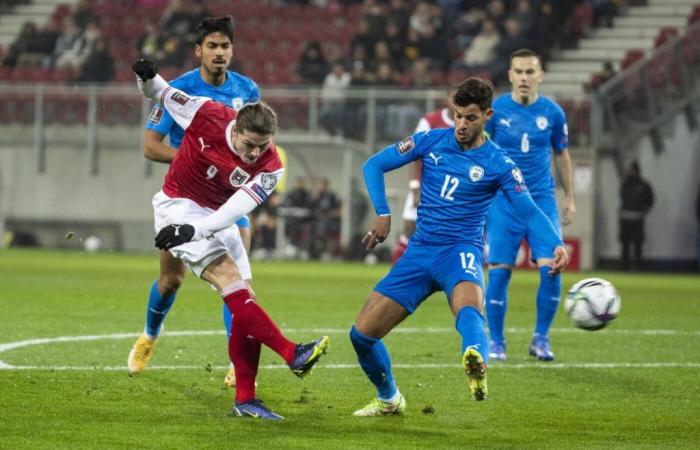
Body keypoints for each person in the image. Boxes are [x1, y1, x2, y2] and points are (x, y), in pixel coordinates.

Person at [350, 77, 568, 416]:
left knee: (468, 310)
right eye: (457, 115)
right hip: (420, 252)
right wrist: (383, 212)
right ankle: (389, 398)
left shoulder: (500, 163)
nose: (461, 125)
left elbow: (528, 210)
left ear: (487, 115)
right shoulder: (430, 140)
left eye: (470, 117)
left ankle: (476, 362)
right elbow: (373, 164)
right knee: (361, 335)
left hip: (461, 252)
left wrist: (554, 242)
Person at [131, 58, 329, 420]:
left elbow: (238, 206)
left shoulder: (271, 166)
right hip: (178, 207)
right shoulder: (205, 112)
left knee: (243, 299)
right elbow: (158, 92)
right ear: (235, 128)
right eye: (250, 144)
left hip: (215, 216)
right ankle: (290, 352)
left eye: (263, 145)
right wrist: (145, 77)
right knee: (226, 280)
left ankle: (245, 399)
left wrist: (198, 231)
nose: (255, 153)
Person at [127, 16, 261, 390]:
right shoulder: (179, 90)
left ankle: (238, 360)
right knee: (171, 280)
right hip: (185, 198)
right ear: (198, 51)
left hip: (228, 198)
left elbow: (256, 142)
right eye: (212, 46)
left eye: (225, 46)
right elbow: (151, 146)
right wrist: (194, 159)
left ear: (233, 51)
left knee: (236, 283)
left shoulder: (247, 90)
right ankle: (150, 335)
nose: (219, 53)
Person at [483, 49, 575, 363]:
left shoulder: (553, 113)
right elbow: (481, 152)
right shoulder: (494, 111)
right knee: (498, 272)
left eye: (529, 72)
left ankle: (541, 338)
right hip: (503, 203)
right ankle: (496, 342)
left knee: (552, 270)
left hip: (542, 201)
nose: (524, 77)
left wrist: (570, 196)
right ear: (510, 75)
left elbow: (562, 155)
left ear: (540, 75)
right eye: (518, 72)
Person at [392, 88, 455, 264]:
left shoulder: (468, 124)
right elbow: (415, 153)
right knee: (409, 225)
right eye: (453, 96)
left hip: (453, 187)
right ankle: (397, 268)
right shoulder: (430, 121)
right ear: (446, 98)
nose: (456, 101)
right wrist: (414, 187)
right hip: (426, 184)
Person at [619, 161, 654, 271]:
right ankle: (625, 266)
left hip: (637, 217)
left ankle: (638, 266)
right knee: (625, 244)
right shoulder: (625, 184)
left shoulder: (643, 185)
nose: (631, 172)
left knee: (638, 244)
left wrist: (644, 210)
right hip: (625, 217)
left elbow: (650, 200)